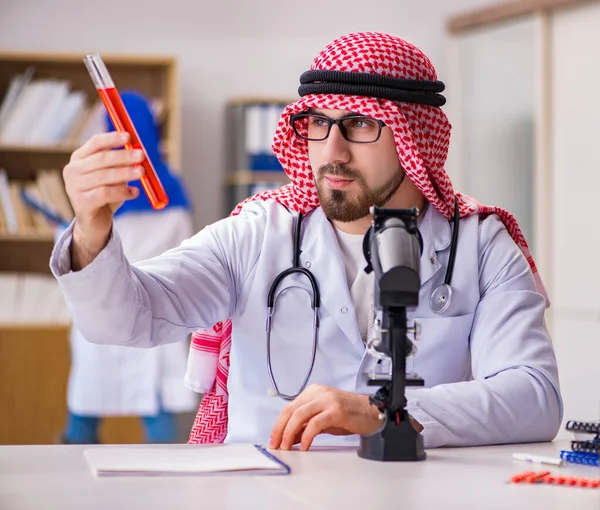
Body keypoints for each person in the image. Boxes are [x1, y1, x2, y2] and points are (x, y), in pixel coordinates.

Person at [51, 32, 562, 451]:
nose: (331, 151)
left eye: (359, 124)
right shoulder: (258, 233)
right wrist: (92, 228)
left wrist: (385, 414)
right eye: (319, 123)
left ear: (413, 134)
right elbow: (124, 319)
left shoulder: (480, 243)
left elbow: (535, 398)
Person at [59, 91, 198, 444]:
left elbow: (83, 247)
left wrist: (62, 233)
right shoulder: (170, 189)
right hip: (154, 311)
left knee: (84, 414)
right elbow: (185, 248)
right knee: (157, 413)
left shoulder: (99, 186)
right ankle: (166, 489)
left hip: (102, 310)